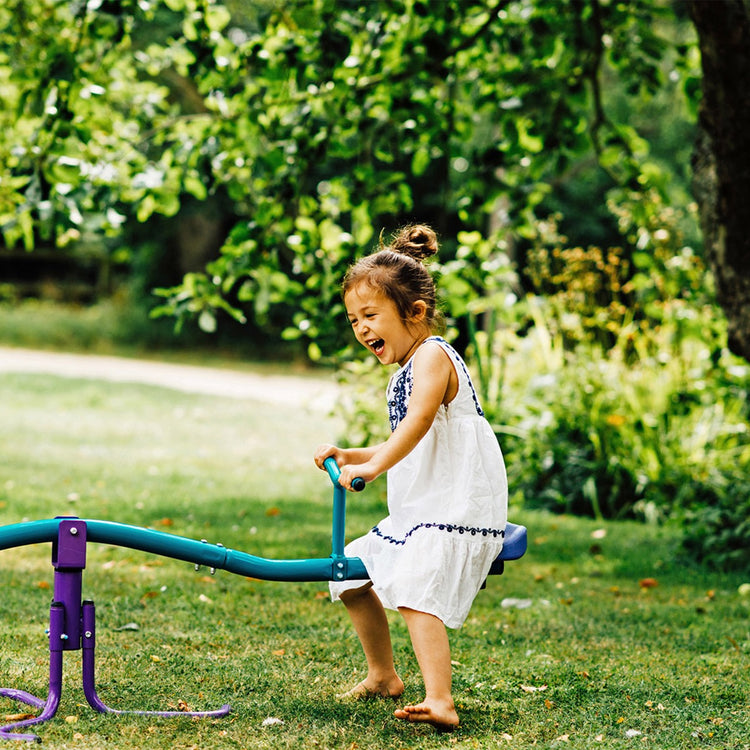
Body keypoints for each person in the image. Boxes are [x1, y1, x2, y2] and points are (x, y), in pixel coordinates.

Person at [314, 224, 508, 730]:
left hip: (457, 506)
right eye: (355, 319)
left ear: (414, 313)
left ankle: (441, 699)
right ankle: (383, 676)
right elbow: (408, 438)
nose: (361, 328)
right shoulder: (406, 368)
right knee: (352, 573)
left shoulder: (433, 356)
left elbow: (421, 421)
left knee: (417, 590)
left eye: (371, 315)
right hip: (422, 508)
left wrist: (373, 468)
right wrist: (354, 452)